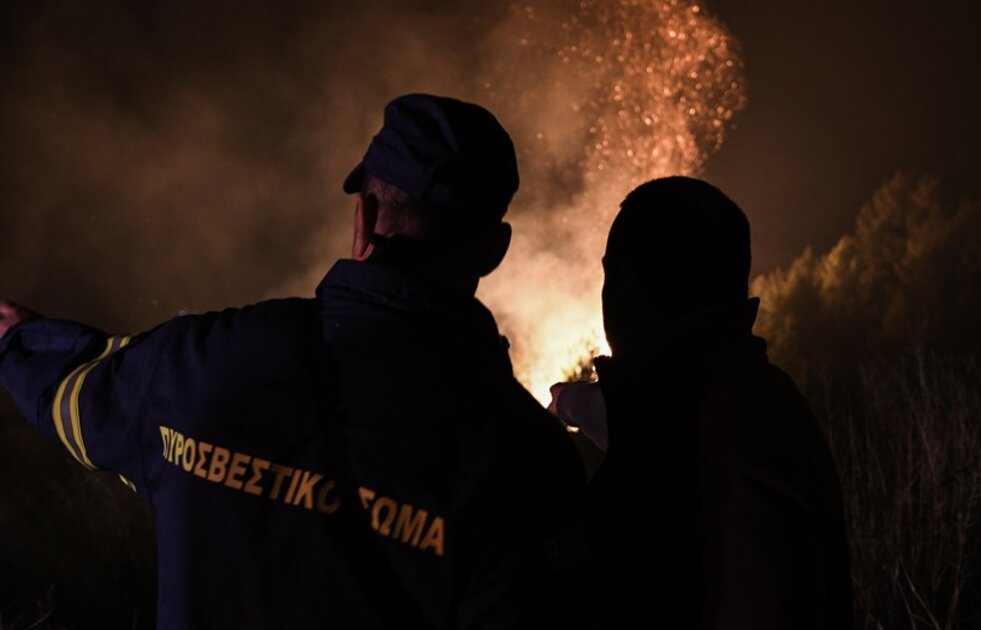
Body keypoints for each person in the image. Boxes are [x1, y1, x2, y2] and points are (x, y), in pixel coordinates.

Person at [0, 94, 587, 629]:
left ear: (364, 216)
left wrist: (19, 340)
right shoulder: (529, 462)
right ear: (495, 250)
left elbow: (72, 396)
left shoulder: (199, 363)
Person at [553, 176, 852, 628]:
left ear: (626, 283)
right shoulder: (755, 399)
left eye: (609, 274)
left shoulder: (704, 425)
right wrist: (575, 404)